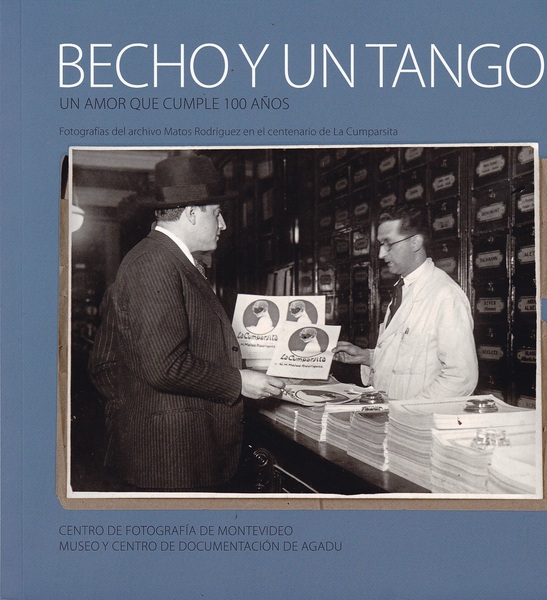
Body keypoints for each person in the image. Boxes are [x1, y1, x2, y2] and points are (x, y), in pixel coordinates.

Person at [88, 152, 285, 492]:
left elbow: (105, 363)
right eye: (217, 213)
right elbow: (164, 366)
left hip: (169, 453)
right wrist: (237, 380)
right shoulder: (156, 264)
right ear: (192, 214)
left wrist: (137, 408)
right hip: (170, 460)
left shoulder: (164, 260)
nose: (223, 224)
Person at [332, 205, 478, 401]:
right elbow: (412, 359)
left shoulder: (445, 295)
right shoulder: (403, 289)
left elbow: (461, 378)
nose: (381, 254)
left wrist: (409, 411)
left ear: (415, 242)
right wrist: (367, 357)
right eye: (380, 245)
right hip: (389, 411)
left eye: (388, 244)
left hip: (417, 417)